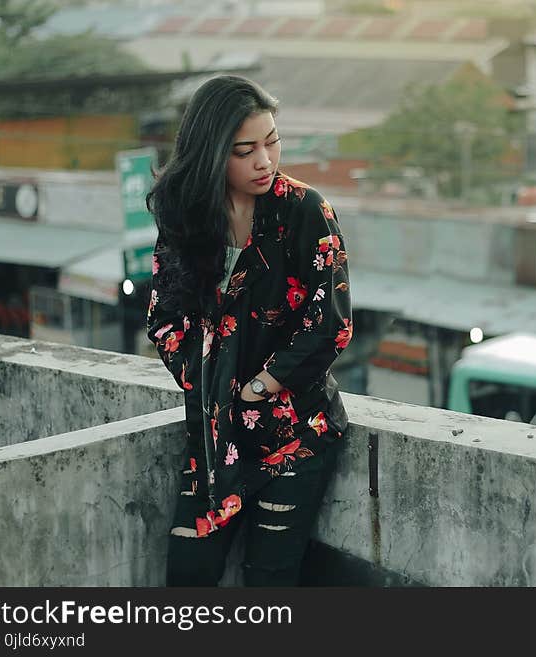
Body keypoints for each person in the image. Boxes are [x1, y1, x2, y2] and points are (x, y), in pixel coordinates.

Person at [145, 74, 353, 586]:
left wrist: (259, 387)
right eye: (245, 150)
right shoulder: (185, 214)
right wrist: (207, 382)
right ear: (211, 152)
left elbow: (330, 322)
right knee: (188, 577)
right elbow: (164, 316)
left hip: (293, 435)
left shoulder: (304, 210)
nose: (265, 160)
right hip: (214, 440)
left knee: (268, 582)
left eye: (272, 141)